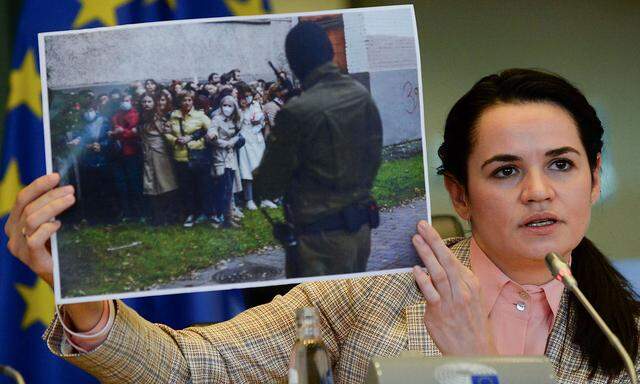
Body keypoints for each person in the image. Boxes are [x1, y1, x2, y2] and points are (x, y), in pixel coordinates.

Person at [5, 73, 640, 383]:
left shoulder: (627, 332)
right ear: (459, 194)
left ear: (593, 176)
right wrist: (86, 302)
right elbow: (192, 369)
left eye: (561, 164)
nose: (538, 191)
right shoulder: (375, 286)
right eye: (505, 171)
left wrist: (475, 360)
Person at [253, 22, 383, 277]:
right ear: (330, 53)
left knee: (308, 316)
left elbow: (268, 184)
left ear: (295, 65)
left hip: (318, 244)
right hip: (360, 232)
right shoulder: (360, 94)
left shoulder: (297, 113)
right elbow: (373, 155)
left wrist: (288, 123)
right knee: (348, 312)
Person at [164, 90, 213, 227]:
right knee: (186, 188)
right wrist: (175, 140)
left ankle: (204, 213)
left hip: (198, 156)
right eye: (184, 100)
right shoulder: (173, 115)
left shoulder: (200, 115)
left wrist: (193, 137)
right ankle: (190, 214)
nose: (187, 103)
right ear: (179, 101)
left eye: (189, 100)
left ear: (193, 101)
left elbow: (212, 130)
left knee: (201, 186)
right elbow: (166, 133)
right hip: (180, 157)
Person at [235, 82, 276, 210]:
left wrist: (260, 121)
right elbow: (236, 125)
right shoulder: (237, 109)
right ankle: (249, 199)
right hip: (245, 142)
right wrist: (241, 112)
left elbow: (263, 122)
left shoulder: (256, 106)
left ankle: (265, 198)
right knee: (247, 171)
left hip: (257, 141)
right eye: (244, 96)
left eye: (249, 96)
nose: (247, 99)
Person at [138, 94, 178, 226]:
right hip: (147, 154)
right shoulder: (142, 118)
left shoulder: (158, 116)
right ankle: (158, 217)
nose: (146, 104)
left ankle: (170, 216)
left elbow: (166, 134)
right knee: (152, 185)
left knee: (165, 184)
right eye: (144, 102)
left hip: (160, 154)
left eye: (149, 101)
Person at [207, 95, 243, 228]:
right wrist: (220, 140)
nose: (227, 108)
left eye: (230, 106)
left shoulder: (234, 120)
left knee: (229, 188)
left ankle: (228, 217)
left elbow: (238, 135)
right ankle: (223, 218)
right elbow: (211, 134)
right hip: (220, 157)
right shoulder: (216, 119)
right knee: (223, 188)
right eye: (224, 105)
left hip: (230, 156)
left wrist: (232, 142)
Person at [109, 93, 143, 222]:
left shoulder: (136, 115)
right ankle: (127, 212)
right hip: (119, 152)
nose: (125, 102)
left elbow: (135, 133)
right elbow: (115, 130)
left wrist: (122, 132)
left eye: (128, 100)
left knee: (134, 183)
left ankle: (138, 212)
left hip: (132, 152)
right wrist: (115, 133)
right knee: (122, 184)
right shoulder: (116, 116)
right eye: (123, 100)